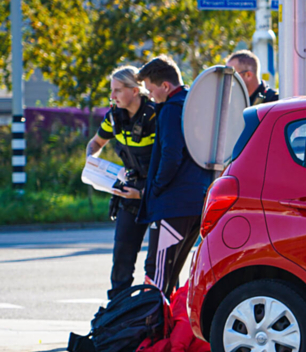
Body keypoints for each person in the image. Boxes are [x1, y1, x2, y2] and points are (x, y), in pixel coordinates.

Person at [136, 55, 213, 297]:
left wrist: (157, 187)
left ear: (165, 86)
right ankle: (170, 321)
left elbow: (171, 154)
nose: (150, 97)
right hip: (197, 201)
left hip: (172, 204)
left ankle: (153, 320)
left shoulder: (171, 109)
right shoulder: (195, 105)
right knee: (172, 276)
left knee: (157, 276)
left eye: (151, 90)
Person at [86, 66, 159, 300]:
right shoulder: (113, 116)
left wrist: (144, 193)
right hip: (128, 192)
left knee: (157, 266)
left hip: (158, 194)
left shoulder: (155, 116)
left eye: (117, 90)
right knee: (121, 259)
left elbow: (171, 163)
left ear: (135, 90)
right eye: (112, 90)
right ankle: (117, 311)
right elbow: (96, 143)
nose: (112, 96)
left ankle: (160, 313)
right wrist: (92, 162)